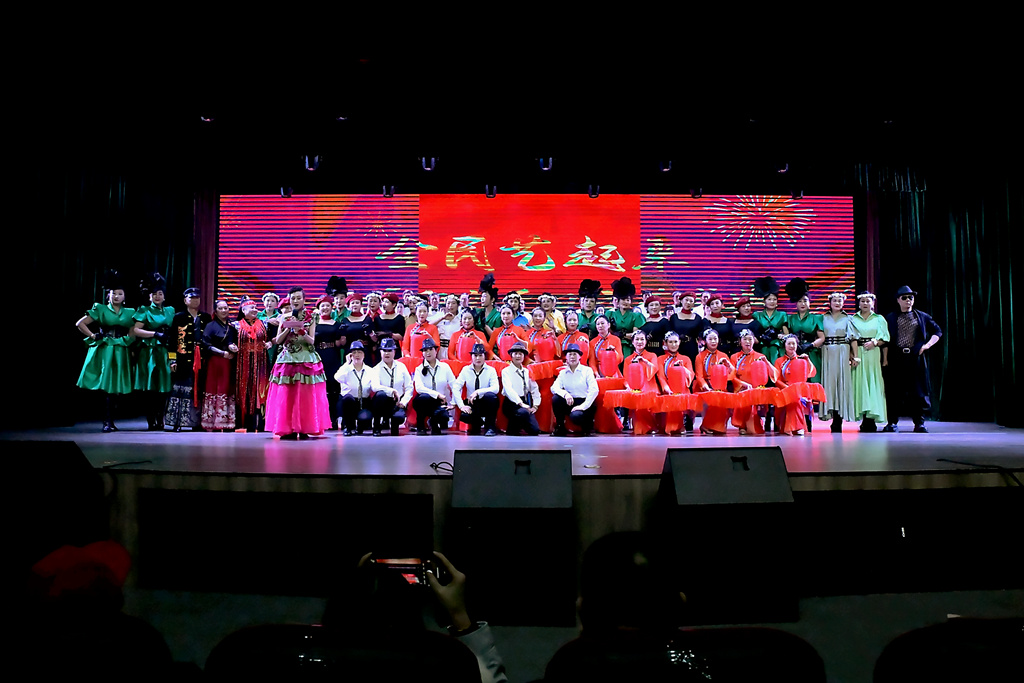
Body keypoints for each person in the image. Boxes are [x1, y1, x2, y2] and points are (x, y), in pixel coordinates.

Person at [265, 287, 332, 439]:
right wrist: (288, 329)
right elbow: (278, 340)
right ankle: (287, 428)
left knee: (305, 395)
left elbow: (312, 341)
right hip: (287, 359)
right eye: (293, 298)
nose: (295, 301)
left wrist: (301, 331)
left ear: (304, 299)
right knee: (286, 395)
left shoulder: (311, 316)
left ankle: (303, 427)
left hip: (306, 358)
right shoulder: (284, 317)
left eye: (298, 298)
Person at [75, 271, 136, 432]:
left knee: (117, 387)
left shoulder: (130, 312)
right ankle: (106, 421)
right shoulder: (100, 308)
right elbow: (80, 324)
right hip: (106, 349)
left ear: (124, 296)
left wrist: (128, 342)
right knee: (106, 386)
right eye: (113, 293)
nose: (116, 296)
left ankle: (111, 420)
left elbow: (133, 332)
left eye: (120, 294)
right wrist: (93, 335)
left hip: (121, 349)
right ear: (108, 295)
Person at [883, 286, 942, 433]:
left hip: (915, 358)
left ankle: (919, 423)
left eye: (911, 297)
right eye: (904, 298)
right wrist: (885, 358)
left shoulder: (921, 316)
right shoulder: (890, 317)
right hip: (896, 357)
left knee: (918, 392)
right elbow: (884, 338)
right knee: (894, 391)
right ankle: (892, 422)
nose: (908, 300)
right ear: (898, 300)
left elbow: (937, 331)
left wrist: (927, 345)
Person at [131, 273, 175, 431]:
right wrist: (155, 334)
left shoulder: (170, 311)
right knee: (150, 387)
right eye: (154, 294)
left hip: (164, 351)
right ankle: (151, 419)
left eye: (160, 294)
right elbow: (136, 330)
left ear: (164, 296)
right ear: (149, 296)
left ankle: (160, 418)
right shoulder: (144, 310)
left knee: (164, 386)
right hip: (149, 351)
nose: (157, 296)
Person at [164, 287, 211, 431]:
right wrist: (173, 360)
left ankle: (196, 423)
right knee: (180, 390)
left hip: (201, 358)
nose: (195, 301)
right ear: (185, 300)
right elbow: (172, 340)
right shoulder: (179, 317)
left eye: (197, 298)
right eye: (192, 298)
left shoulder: (206, 317)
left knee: (198, 390)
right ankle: (177, 422)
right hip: (183, 358)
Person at [849, 291, 889, 432]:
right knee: (859, 383)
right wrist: (852, 355)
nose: (865, 303)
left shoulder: (879, 319)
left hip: (872, 353)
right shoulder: (853, 319)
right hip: (858, 353)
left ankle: (871, 418)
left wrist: (875, 342)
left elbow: (885, 338)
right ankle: (863, 417)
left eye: (868, 301)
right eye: (863, 301)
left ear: (873, 303)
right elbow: (850, 338)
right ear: (859, 303)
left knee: (872, 382)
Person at [819, 292, 859, 431]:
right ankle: (830, 413)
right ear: (830, 302)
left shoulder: (848, 318)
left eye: (840, 301)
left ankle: (838, 419)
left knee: (841, 384)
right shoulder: (823, 318)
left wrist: (855, 356)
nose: (837, 303)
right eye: (834, 300)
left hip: (842, 350)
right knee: (829, 384)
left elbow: (853, 338)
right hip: (828, 351)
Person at [729, 328, 779, 435]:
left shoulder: (760, 356)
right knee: (742, 396)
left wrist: (766, 362)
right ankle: (742, 425)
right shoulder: (734, 357)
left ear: (754, 340)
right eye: (745, 339)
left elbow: (774, 374)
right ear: (740, 341)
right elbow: (732, 376)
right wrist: (743, 384)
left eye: (750, 339)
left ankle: (754, 423)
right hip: (741, 388)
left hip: (756, 390)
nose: (748, 342)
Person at [774, 335, 825, 436]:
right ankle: (797, 427)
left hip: (798, 392)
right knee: (793, 397)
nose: (791, 346)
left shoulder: (801, 359)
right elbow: (776, 379)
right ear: (784, 345)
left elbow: (811, 373)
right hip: (784, 390)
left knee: (796, 399)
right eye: (789, 343)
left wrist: (808, 360)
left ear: (797, 345)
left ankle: (794, 427)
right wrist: (788, 389)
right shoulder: (779, 361)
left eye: (794, 343)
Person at [234, 297, 271, 432]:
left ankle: (261, 424)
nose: (255, 310)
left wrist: (270, 343)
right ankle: (244, 423)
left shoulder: (265, 324)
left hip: (261, 362)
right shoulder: (236, 325)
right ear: (243, 310)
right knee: (244, 390)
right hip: (242, 363)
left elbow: (272, 339)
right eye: (252, 308)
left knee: (261, 391)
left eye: (256, 307)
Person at [201, 299, 238, 432]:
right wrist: (222, 353)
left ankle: (226, 422)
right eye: (220, 308)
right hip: (215, 362)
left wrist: (233, 348)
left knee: (226, 389)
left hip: (228, 363)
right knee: (214, 388)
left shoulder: (232, 328)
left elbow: (233, 342)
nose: (223, 311)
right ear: (215, 311)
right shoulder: (210, 326)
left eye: (225, 308)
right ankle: (211, 422)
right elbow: (206, 344)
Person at [312, 296, 346, 430]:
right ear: (318, 308)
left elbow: (339, 344)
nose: (325, 308)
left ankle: (333, 418)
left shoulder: (336, 324)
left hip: (332, 356)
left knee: (333, 388)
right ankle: (318, 419)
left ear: (332, 308)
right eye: (323, 305)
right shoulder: (313, 323)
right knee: (318, 388)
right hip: (317, 356)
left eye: (328, 305)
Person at [551, 343, 600, 436]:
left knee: (576, 416)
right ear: (566, 357)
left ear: (579, 357)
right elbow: (554, 387)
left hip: (585, 402)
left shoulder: (587, 370)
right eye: (570, 354)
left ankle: (587, 427)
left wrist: (583, 406)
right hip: (570, 401)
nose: (572, 357)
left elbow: (594, 390)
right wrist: (565, 394)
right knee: (556, 399)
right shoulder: (563, 372)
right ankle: (560, 426)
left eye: (575, 354)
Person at [618, 330, 659, 435]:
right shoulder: (628, 359)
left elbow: (654, 369)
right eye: (637, 339)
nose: (639, 342)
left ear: (646, 342)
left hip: (650, 386)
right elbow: (626, 377)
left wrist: (645, 361)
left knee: (646, 399)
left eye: (642, 339)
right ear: (632, 342)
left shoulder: (652, 355)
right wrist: (628, 387)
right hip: (634, 388)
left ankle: (651, 426)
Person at [452, 343, 500, 436]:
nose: (478, 358)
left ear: (484, 356)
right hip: (472, 403)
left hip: (485, 402)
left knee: (491, 397)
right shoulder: (466, 370)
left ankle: (490, 427)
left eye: (480, 355)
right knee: (465, 416)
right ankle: (477, 423)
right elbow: (456, 387)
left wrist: (478, 392)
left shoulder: (491, 370)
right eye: (475, 355)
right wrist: (461, 406)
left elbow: (495, 388)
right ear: (471, 356)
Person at [693, 329, 735, 435]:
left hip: (721, 386)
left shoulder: (724, 355)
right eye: (710, 339)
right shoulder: (699, 356)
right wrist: (706, 387)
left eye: (715, 339)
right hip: (705, 387)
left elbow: (731, 373)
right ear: (705, 341)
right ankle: (706, 425)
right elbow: (699, 376)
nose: (713, 341)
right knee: (709, 398)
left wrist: (729, 366)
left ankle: (718, 426)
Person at [412, 338, 457, 435]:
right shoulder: (419, 369)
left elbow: (454, 385)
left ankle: (434, 422)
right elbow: (419, 388)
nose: (428, 352)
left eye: (430, 349)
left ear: (436, 350)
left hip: (440, 402)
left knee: (444, 417)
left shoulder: (445, 367)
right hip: (425, 401)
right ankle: (421, 425)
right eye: (425, 350)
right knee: (423, 398)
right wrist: (437, 395)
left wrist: (453, 402)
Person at [588, 315, 624, 433]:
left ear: (608, 325)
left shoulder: (616, 340)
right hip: (599, 373)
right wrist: (595, 373)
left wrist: (614, 353)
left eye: (603, 323)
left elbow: (620, 358)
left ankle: (614, 426)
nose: (600, 326)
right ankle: (601, 426)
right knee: (600, 400)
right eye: (598, 324)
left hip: (613, 372)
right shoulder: (593, 342)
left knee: (612, 400)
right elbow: (592, 361)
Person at [370, 338, 413, 436]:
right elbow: (375, 386)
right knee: (380, 395)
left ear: (394, 352)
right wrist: (391, 391)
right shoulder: (376, 369)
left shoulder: (401, 367)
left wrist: (403, 402)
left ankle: (394, 425)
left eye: (389, 350)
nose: (387, 353)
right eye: (384, 350)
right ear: (380, 352)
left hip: (398, 402)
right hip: (383, 403)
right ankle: (377, 426)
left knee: (398, 418)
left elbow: (409, 387)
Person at [655, 331, 696, 434]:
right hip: (668, 390)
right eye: (670, 342)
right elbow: (661, 376)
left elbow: (691, 375)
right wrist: (666, 388)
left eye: (675, 342)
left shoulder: (685, 359)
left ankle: (682, 423)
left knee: (681, 397)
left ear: (679, 342)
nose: (673, 345)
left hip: (683, 390)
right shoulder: (660, 359)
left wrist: (682, 368)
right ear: (665, 343)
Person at [501, 341, 541, 435]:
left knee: (535, 430)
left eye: (520, 354)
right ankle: (513, 428)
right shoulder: (506, 371)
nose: (518, 356)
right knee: (523, 412)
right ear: (511, 355)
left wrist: (535, 405)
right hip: (511, 403)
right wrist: (521, 404)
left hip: (524, 402)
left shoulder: (527, 371)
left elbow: (534, 388)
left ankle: (517, 426)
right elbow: (508, 390)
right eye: (515, 353)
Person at [335, 340, 374, 435]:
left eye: (359, 352)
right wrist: (347, 363)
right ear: (350, 355)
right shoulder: (346, 369)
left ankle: (360, 426)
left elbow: (375, 386)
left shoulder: (370, 370)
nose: (357, 355)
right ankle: (348, 427)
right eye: (354, 352)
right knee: (348, 399)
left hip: (363, 401)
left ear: (364, 355)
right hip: (349, 402)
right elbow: (337, 377)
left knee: (365, 417)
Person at [608, 277, 643, 359]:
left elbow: (635, 334)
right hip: (612, 345)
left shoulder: (636, 316)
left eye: (628, 300)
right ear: (618, 301)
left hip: (629, 347)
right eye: (623, 299)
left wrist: (622, 335)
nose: (625, 302)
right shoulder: (610, 314)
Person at [669, 290, 705, 366]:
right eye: (686, 300)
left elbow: (700, 335)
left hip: (691, 347)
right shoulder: (674, 317)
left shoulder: (697, 318)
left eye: (691, 301)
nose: (688, 303)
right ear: (681, 301)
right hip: (676, 347)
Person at [374, 292, 407, 361]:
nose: (384, 304)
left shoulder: (399, 318)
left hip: (394, 348)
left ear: (394, 304)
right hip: (381, 349)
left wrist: (389, 334)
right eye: (383, 302)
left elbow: (401, 336)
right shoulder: (377, 318)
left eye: (386, 302)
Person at [430, 295, 462, 361]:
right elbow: (428, 326)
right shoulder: (440, 316)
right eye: (448, 303)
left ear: (458, 305)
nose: (450, 305)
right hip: (441, 349)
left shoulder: (461, 318)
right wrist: (442, 318)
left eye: (453, 303)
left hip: (455, 349)